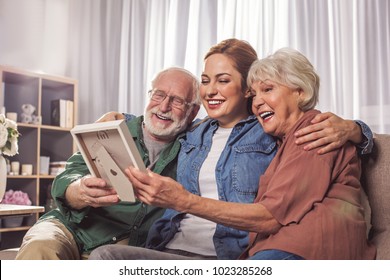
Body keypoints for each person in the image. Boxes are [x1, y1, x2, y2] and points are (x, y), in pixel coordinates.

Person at [89, 39, 374, 260]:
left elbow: (313, 134)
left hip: (225, 255)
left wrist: (357, 130)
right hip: (168, 246)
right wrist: (119, 117)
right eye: (205, 80)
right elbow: (163, 119)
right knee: (105, 257)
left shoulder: (268, 131)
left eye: (223, 80)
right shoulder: (195, 131)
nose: (210, 90)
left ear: (244, 89)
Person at [15, 67, 201, 259]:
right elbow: (67, 177)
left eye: (177, 100)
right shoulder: (112, 128)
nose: (163, 107)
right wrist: (79, 190)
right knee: (39, 247)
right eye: (158, 95)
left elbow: (220, 122)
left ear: (193, 111)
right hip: (69, 227)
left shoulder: (197, 147)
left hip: (121, 243)